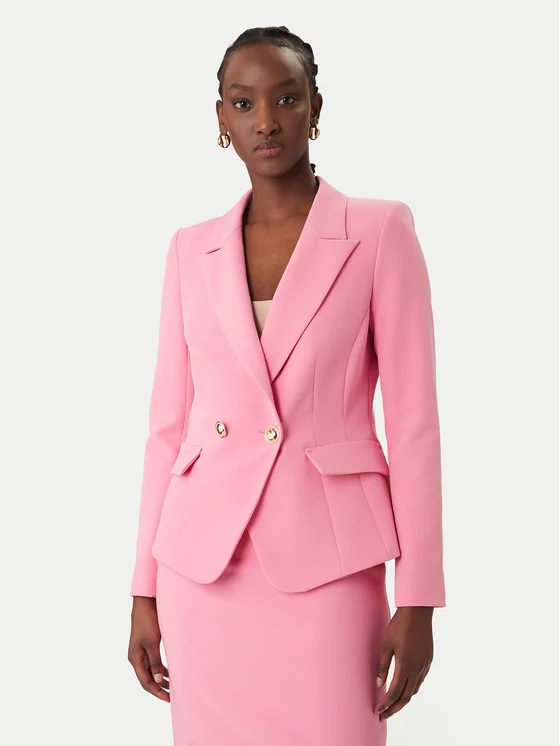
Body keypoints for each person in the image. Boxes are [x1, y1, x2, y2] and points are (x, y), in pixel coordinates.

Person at [127, 25, 446, 746]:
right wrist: (143, 587)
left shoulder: (379, 231)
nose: (265, 120)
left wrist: (419, 595)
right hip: (202, 570)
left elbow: (414, 424)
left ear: (315, 107)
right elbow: (167, 429)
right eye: (243, 103)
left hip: (330, 565)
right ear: (221, 118)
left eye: (286, 98)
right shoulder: (189, 249)